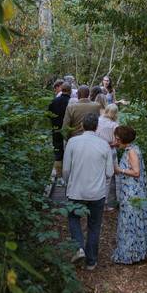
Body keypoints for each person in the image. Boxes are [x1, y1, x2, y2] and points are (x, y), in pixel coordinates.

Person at [62, 113, 114, 270]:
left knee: (73, 218)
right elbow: (110, 172)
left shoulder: (72, 142)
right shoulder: (104, 145)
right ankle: (91, 261)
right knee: (94, 225)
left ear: (82, 126)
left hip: (76, 190)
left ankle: (78, 248)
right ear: (96, 127)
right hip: (97, 193)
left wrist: (67, 183)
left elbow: (65, 169)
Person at [111, 125, 147, 264]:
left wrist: (119, 170)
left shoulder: (132, 152)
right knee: (131, 221)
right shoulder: (130, 148)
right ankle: (134, 253)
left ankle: (130, 254)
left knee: (130, 222)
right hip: (130, 190)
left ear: (123, 139)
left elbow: (136, 172)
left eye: (117, 138)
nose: (115, 140)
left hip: (132, 192)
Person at [96, 104, 121, 210]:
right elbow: (117, 143)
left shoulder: (98, 120)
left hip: (96, 150)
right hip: (109, 152)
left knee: (96, 175)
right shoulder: (114, 125)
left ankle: (93, 200)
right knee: (107, 178)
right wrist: (109, 143)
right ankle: (104, 204)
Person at [47, 82, 71, 175]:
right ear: (69, 91)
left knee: (58, 152)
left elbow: (49, 115)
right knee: (69, 152)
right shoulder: (72, 102)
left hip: (56, 129)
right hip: (68, 130)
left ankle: (59, 174)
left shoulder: (54, 101)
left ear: (61, 90)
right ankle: (69, 174)